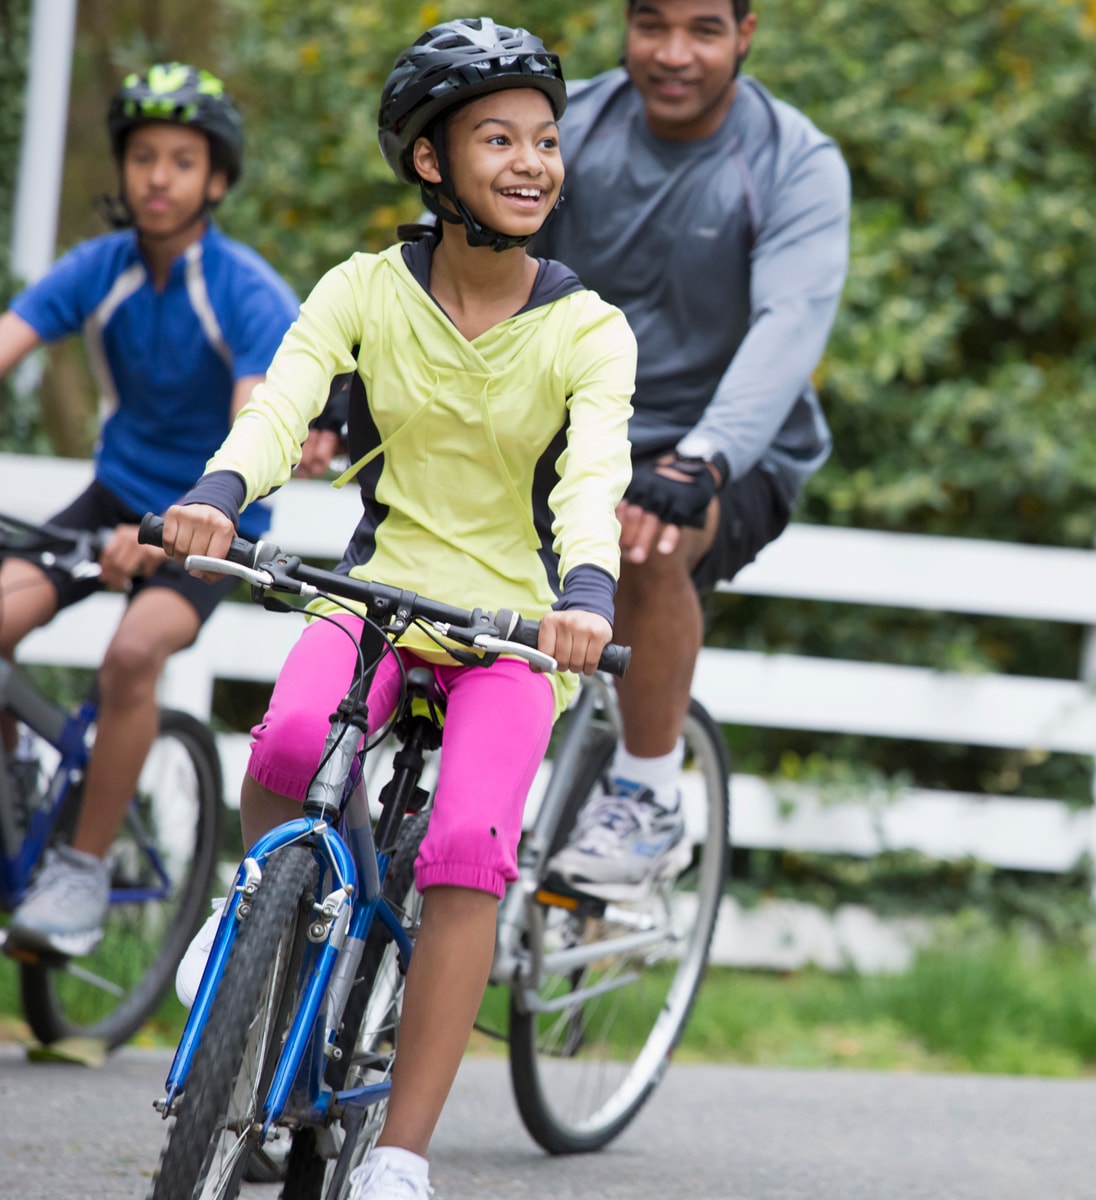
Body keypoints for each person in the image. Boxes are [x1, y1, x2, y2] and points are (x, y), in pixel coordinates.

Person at [158, 19, 633, 1199]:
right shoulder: (364, 287)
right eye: (498, 139)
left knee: (470, 847)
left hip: (517, 632)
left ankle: (405, 1154)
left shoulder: (587, 330)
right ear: (432, 161)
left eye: (545, 139)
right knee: (283, 738)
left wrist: (585, 596)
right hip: (378, 595)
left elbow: (592, 484)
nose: (533, 162)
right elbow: (281, 408)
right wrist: (221, 494)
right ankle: (251, 907)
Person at [537, 0, 851, 895]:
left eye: (704, 30)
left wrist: (703, 456)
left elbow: (788, 327)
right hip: (578, 426)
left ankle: (645, 798)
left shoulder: (794, 162)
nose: (673, 55)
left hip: (727, 445)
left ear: (746, 35)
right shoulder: (567, 130)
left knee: (644, 537)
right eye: (651, 25)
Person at [0, 64, 299, 958]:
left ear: (215, 179)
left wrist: (182, 528)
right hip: (113, 496)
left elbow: (261, 425)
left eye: (180, 160)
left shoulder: (244, 288)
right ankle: (21, 780)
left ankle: (85, 867)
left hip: (216, 513)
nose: (157, 177)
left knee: (134, 654)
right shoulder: (98, 269)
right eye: (141, 158)